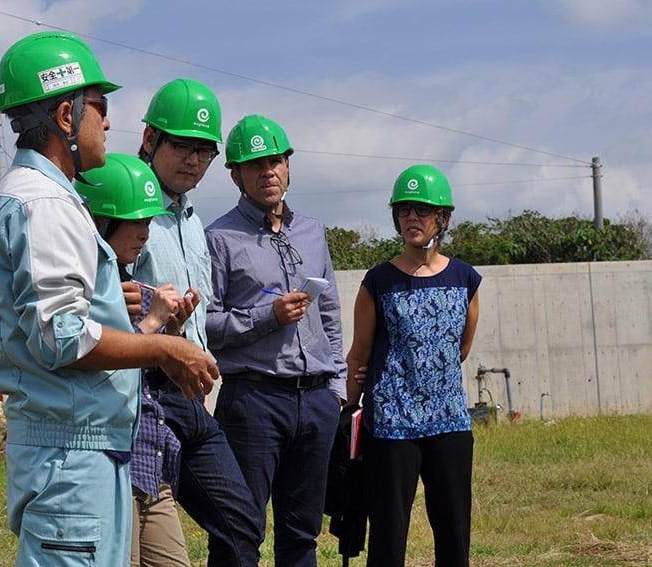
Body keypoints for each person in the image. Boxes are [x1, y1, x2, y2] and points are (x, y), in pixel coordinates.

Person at [0, 32, 217, 567]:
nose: (107, 123)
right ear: (66, 116)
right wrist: (165, 351)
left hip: (83, 451)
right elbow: (66, 337)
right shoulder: (44, 206)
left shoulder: (52, 200)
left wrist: (152, 338)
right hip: (70, 457)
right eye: (100, 108)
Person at [205, 114, 348, 566]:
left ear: (288, 166)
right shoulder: (219, 238)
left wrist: (338, 388)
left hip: (316, 400)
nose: (268, 172)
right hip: (254, 400)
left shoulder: (313, 230)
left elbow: (329, 311)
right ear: (235, 175)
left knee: (302, 534)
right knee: (238, 531)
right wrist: (268, 317)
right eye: (255, 165)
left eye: (275, 161)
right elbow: (206, 323)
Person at [131, 78, 262, 566]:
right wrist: (160, 325)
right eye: (182, 146)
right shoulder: (124, 206)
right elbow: (112, 298)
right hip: (145, 394)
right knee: (136, 536)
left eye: (205, 152)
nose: (194, 161)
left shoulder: (189, 218)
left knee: (242, 522)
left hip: (192, 400)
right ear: (150, 139)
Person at [344, 164, 481, 567]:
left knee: (454, 532)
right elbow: (359, 353)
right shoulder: (378, 281)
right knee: (388, 536)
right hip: (390, 427)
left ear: (442, 218)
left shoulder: (465, 279)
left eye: (421, 211)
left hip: (450, 423)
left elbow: (461, 347)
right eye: (404, 211)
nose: (411, 219)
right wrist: (348, 408)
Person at [76, 153, 196, 567]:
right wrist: (153, 325)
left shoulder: (137, 289)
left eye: (149, 222)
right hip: (110, 465)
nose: (146, 233)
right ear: (104, 223)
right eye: (137, 222)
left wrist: (174, 330)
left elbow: (153, 381)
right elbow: (92, 359)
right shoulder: (78, 287)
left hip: (152, 459)